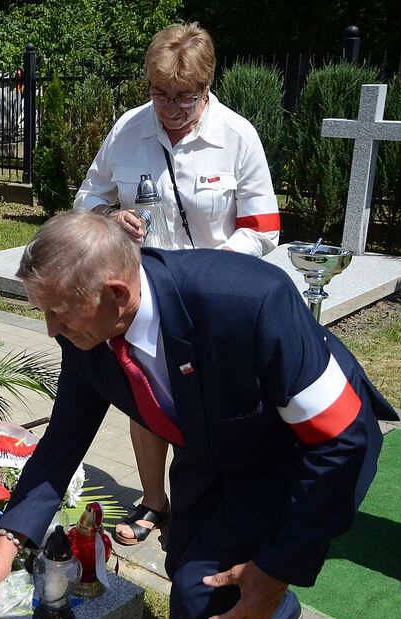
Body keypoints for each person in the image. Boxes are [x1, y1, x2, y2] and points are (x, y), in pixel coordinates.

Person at [0, 210, 395, 619]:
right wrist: (7, 543)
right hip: (214, 441)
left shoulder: (248, 299)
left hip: (298, 449)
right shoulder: (87, 331)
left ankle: (255, 601)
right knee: (181, 558)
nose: (50, 329)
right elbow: (64, 439)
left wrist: (275, 570)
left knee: (200, 593)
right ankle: (274, 609)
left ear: (116, 294)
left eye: (58, 312)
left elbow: (339, 440)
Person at [73, 23, 281, 548]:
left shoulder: (238, 136)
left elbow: (264, 227)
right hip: (140, 299)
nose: (169, 110)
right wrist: (110, 218)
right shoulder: (127, 129)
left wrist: (212, 274)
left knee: (212, 409)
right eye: (159, 95)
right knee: (145, 401)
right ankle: (154, 501)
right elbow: (86, 200)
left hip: (212, 303)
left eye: (183, 99)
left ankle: (210, 503)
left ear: (207, 88)